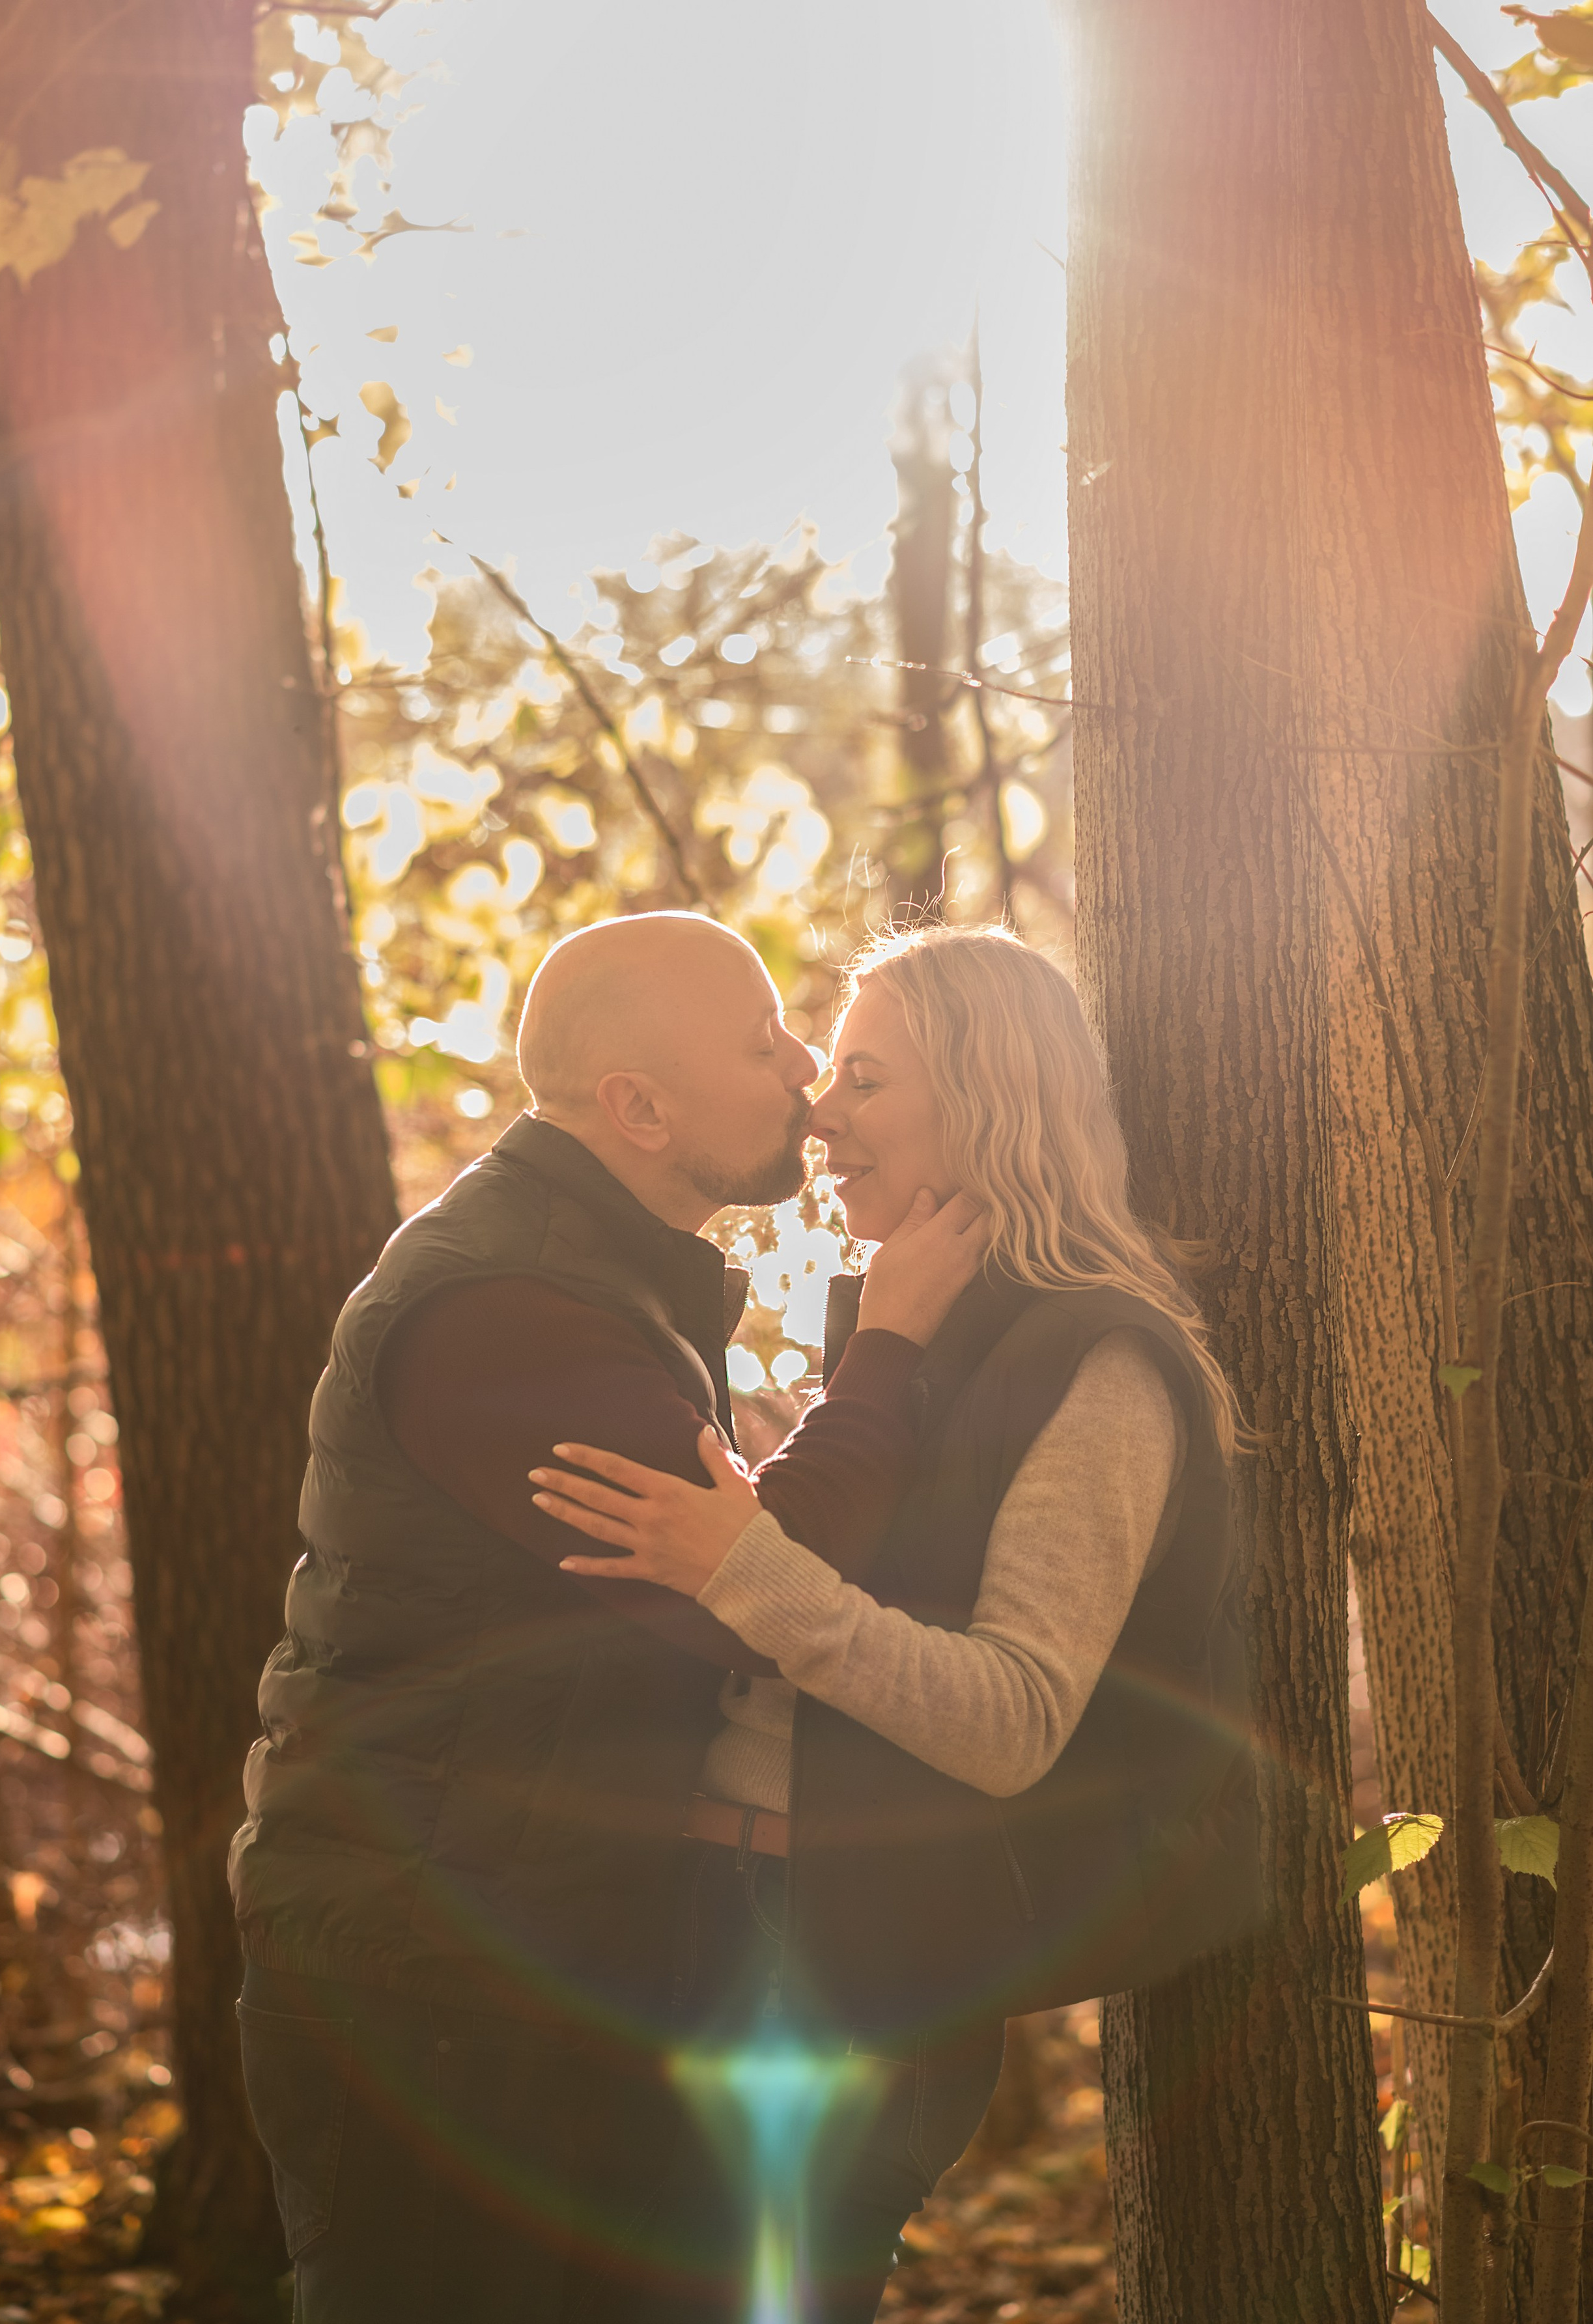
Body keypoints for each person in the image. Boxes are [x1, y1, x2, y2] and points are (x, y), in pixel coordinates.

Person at [227, 911, 987, 2323]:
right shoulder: (505, 1311)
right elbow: (755, 1591)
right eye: (761, 1044)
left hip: (530, 1955)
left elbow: (726, 1553)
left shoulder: (601, 1277)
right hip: (433, 1986)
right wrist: (887, 1345)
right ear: (638, 1109)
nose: (805, 1068)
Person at [529, 923, 1255, 2324]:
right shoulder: (905, 1327)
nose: (818, 1115)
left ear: (986, 1099)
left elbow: (1010, 1719)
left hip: (842, 1969)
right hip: (713, 1922)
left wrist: (742, 1566)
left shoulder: (1101, 1363)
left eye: (865, 1080)